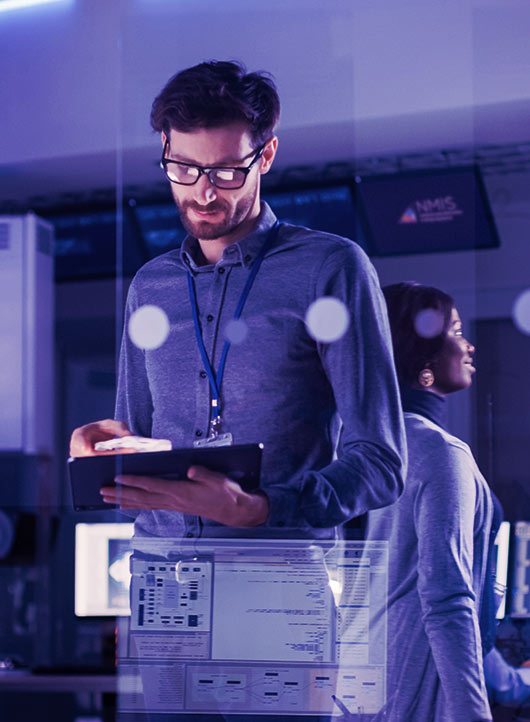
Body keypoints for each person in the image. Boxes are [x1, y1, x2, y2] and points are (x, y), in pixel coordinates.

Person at [69, 59, 406, 540]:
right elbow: (137, 455)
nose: (203, 192)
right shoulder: (149, 286)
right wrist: (101, 454)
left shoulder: (329, 268)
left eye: (226, 172)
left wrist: (261, 507)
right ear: (165, 148)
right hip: (162, 579)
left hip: (277, 580)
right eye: (183, 168)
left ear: (265, 156)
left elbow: (380, 463)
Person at [365, 281, 496, 722]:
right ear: (424, 359)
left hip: (361, 683)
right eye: (456, 332)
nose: (468, 346)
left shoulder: (363, 446)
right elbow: (447, 599)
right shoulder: (439, 453)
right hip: (418, 687)